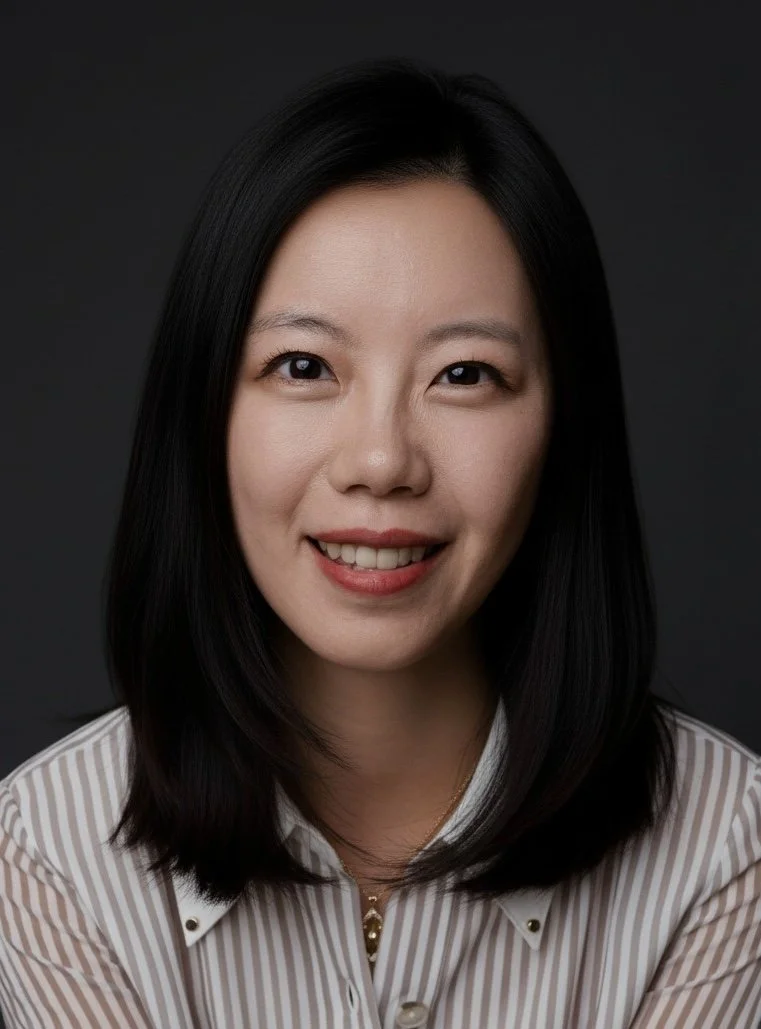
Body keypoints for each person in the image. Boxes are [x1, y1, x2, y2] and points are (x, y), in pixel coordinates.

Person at [0, 56, 759, 1029]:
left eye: (465, 375)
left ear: (563, 427)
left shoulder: (722, 846)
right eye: (304, 365)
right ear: (203, 416)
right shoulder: (50, 855)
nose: (380, 459)